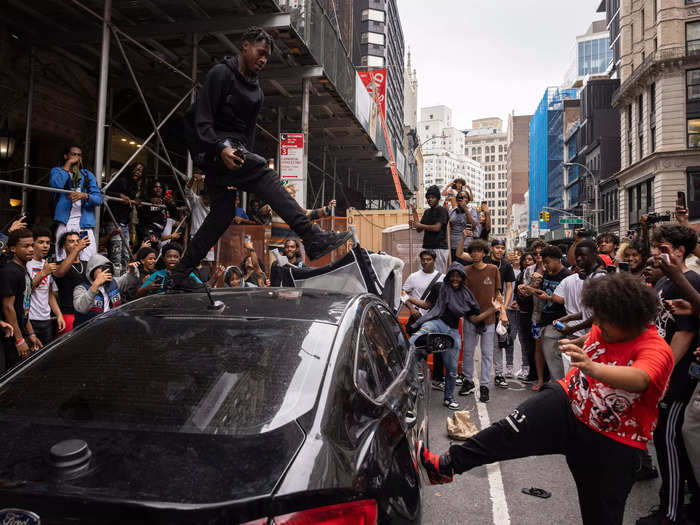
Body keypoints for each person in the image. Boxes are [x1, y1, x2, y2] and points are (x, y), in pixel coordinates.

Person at [417, 273, 674, 525]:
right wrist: (578, 342)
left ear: (630, 320)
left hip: (611, 442)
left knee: (601, 514)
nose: (600, 325)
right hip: (568, 402)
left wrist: (592, 367)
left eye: (606, 322)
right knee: (507, 430)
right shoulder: (607, 324)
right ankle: (446, 466)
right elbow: (594, 335)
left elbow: (641, 378)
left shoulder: (655, 348)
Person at [173, 27, 351, 291]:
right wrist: (221, 149)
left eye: (267, 57)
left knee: (222, 214)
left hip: (233, 154)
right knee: (265, 174)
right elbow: (202, 121)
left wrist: (242, 166)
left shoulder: (256, 91)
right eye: (260, 53)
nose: (263, 60)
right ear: (245, 46)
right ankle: (311, 237)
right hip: (211, 150)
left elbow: (247, 135)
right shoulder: (221, 74)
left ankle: (179, 274)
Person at [635, 225, 700, 525]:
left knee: (670, 440)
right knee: (663, 440)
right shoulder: (664, 283)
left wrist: (665, 374)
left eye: (662, 248)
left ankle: (671, 511)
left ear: (679, 251)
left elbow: (684, 335)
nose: (655, 254)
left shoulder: (688, 281)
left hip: (680, 376)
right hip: (664, 371)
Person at [409, 262, 489, 410]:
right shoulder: (439, 288)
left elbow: (474, 319)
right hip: (437, 322)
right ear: (449, 277)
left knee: (452, 369)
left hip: (452, 331)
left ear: (463, 278)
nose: (455, 279)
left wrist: (493, 309)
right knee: (419, 335)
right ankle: (402, 356)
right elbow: (426, 305)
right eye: (452, 276)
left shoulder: (466, 295)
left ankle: (449, 398)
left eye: (459, 276)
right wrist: (407, 298)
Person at [459, 239, 504, 403]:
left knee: (487, 353)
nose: (475, 254)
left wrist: (502, 312)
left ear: (484, 253)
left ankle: (484, 385)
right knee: (468, 352)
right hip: (470, 317)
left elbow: (498, 294)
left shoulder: (493, 270)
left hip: (490, 318)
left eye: (479, 251)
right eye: (472, 251)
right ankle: (468, 381)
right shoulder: (465, 270)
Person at [50, 145, 102, 262]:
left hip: (84, 225)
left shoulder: (87, 175)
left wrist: (85, 195)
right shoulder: (58, 171)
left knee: (88, 258)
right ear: (66, 156)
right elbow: (56, 185)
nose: (76, 158)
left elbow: (98, 199)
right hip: (65, 223)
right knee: (63, 257)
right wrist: (67, 165)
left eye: (79, 155)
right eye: (73, 154)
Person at [0, 229, 43, 371]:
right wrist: (19, 340)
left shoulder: (23, 270)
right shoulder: (9, 271)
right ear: (13, 248)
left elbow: (24, 306)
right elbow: (8, 307)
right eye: (25, 246)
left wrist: (31, 334)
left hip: (21, 331)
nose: (31, 249)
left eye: (32, 245)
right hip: (10, 336)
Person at [530, 245, 573, 383]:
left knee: (554, 356)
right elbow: (543, 292)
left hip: (559, 321)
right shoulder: (547, 273)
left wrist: (548, 297)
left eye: (547, 262)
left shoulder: (567, 276)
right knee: (550, 355)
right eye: (544, 263)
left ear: (557, 259)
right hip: (544, 318)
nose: (546, 266)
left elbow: (570, 301)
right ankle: (557, 385)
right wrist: (530, 289)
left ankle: (559, 387)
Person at [402, 250, 445, 389]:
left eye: (428, 259)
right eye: (423, 260)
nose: (425, 262)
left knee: (438, 349)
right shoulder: (413, 277)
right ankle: (419, 377)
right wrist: (412, 309)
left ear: (434, 260)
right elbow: (403, 294)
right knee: (420, 349)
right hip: (418, 318)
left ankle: (438, 380)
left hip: (437, 320)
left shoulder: (442, 278)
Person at [552, 239, 607, 343]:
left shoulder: (600, 279)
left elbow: (599, 315)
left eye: (583, 255)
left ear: (595, 255)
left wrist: (573, 329)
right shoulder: (588, 277)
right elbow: (589, 312)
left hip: (597, 338)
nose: (578, 259)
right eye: (576, 256)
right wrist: (569, 317)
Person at [73, 254, 138, 326]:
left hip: (111, 326)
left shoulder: (114, 283)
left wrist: (133, 270)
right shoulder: (80, 288)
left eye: (108, 267)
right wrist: (95, 285)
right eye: (102, 268)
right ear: (92, 269)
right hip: (88, 331)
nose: (106, 271)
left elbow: (131, 281)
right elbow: (82, 308)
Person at [26, 228, 64, 346]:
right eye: (41, 242)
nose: (45, 246)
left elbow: (50, 294)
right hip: (30, 320)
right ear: (33, 244)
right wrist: (42, 273)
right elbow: (25, 293)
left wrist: (59, 315)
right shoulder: (27, 264)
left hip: (46, 320)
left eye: (48, 243)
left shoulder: (47, 264)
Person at [105, 162, 143, 276]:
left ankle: (123, 281)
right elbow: (106, 191)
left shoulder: (135, 185)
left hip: (124, 221)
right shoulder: (121, 180)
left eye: (140, 170)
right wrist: (120, 196)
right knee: (116, 255)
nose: (138, 172)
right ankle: (116, 282)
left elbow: (133, 198)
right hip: (113, 220)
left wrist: (135, 199)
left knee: (125, 255)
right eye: (136, 169)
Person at [52, 231, 91, 334]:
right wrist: (77, 249)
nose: (76, 243)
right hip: (69, 315)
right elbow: (60, 272)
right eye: (71, 241)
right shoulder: (58, 265)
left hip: (88, 314)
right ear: (64, 246)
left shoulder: (88, 264)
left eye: (78, 241)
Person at [411, 185, 449, 274]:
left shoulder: (442, 210)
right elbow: (419, 229)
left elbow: (437, 228)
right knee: (422, 274)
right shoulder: (427, 212)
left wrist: (419, 225)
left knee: (438, 275)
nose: (430, 200)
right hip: (426, 247)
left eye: (433, 197)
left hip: (439, 248)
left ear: (438, 198)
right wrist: (414, 213)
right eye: (428, 198)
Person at [514, 252, 535, 381]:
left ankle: (532, 370)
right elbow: (518, 291)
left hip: (534, 313)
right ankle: (527, 368)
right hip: (523, 312)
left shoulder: (536, 276)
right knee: (525, 341)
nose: (528, 262)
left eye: (530, 259)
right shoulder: (521, 276)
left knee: (533, 343)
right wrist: (518, 298)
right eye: (526, 260)